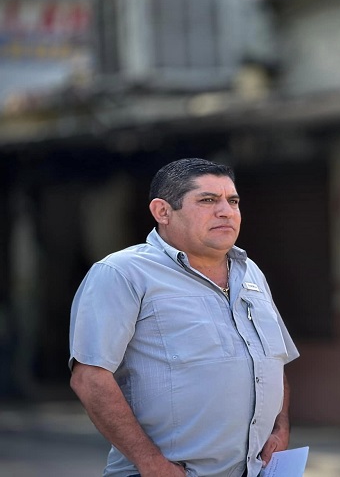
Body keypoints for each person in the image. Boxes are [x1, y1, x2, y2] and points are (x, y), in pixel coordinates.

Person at [69, 158, 299, 477]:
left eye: (232, 201)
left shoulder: (251, 273)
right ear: (163, 212)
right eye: (207, 200)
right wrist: (150, 462)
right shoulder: (122, 273)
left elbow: (272, 361)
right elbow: (89, 377)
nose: (225, 211)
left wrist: (280, 428)